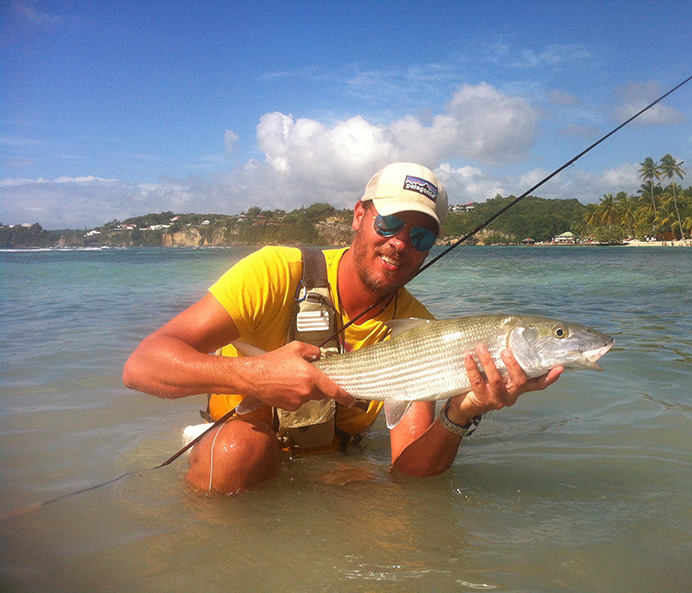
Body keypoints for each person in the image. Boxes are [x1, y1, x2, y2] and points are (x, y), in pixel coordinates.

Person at [123, 162, 562, 493]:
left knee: (396, 522)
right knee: (242, 453)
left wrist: (459, 414)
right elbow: (141, 367)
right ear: (358, 216)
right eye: (389, 223)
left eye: (422, 237)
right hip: (243, 439)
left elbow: (411, 472)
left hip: (335, 467)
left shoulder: (420, 330)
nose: (400, 243)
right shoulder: (274, 270)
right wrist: (252, 376)